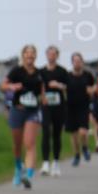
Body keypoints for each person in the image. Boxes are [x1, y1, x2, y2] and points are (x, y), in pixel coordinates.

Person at [1, 45, 44, 189]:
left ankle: (29, 175)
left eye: (33, 53)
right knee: (17, 145)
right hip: (17, 110)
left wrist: (45, 100)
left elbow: (42, 93)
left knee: (30, 143)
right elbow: (3, 86)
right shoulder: (16, 71)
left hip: (33, 111)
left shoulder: (39, 73)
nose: (30, 56)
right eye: (27, 53)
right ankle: (18, 168)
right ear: (23, 55)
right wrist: (11, 87)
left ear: (36, 56)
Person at [39, 46, 69, 176]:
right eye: (49, 54)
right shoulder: (41, 71)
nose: (51, 56)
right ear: (46, 55)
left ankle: (56, 162)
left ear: (57, 56)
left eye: (54, 54)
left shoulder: (62, 71)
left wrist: (58, 85)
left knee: (57, 133)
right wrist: (43, 95)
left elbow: (68, 86)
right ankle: (45, 162)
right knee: (46, 131)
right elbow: (38, 86)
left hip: (59, 106)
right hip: (46, 106)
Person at [66, 53, 96, 166]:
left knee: (83, 132)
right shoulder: (68, 76)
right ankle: (77, 155)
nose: (77, 63)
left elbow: (94, 86)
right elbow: (63, 86)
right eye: (75, 61)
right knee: (74, 135)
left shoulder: (88, 75)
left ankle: (85, 148)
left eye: (79, 61)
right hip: (70, 108)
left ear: (82, 62)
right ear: (72, 63)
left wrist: (92, 90)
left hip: (84, 107)